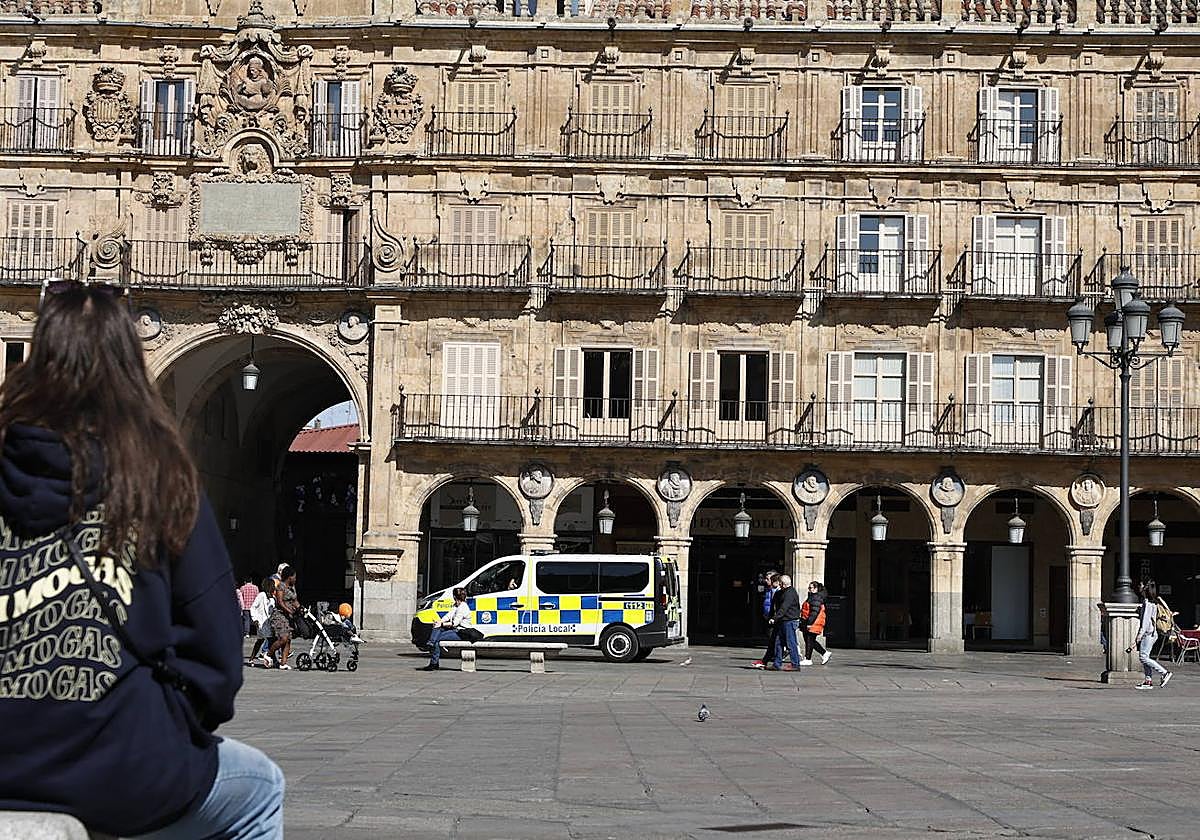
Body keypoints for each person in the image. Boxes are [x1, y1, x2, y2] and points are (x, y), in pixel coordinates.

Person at [0, 282, 283, 838]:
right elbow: (218, 662)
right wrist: (167, 724)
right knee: (261, 788)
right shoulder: (162, 481)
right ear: (132, 366)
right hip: (122, 764)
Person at [421, 587, 471, 671]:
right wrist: (439, 622)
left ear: (454, 597)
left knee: (436, 640)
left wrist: (441, 624)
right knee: (437, 629)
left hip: (461, 632)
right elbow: (448, 616)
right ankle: (431, 644)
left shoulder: (463, 607)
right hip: (455, 630)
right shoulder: (456, 605)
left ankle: (434, 662)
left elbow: (455, 623)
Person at [1134, 582, 1173, 691]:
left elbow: (1146, 622)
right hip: (1152, 633)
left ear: (1145, 589)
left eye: (1141, 585)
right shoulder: (1153, 603)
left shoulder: (1148, 603)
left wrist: (1139, 636)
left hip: (1149, 633)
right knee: (1145, 656)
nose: (1139, 587)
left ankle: (1164, 672)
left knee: (1143, 657)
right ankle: (1148, 681)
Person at [767, 574, 802, 672]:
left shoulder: (790, 593)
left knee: (791, 643)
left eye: (780, 583)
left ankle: (795, 664)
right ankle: (777, 664)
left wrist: (774, 618)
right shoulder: (782, 592)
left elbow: (784, 608)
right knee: (778, 643)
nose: (779, 584)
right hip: (783, 621)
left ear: (783, 583)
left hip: (789, 621)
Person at [267, 566, 299, 670]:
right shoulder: (281, 586)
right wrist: (289, 610)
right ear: (289, 577)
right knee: (283, 638)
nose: (295, 579)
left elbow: (295, 601)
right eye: (294, 577)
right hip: (280, 616)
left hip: (289, 617)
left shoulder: (292, 588)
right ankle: (268, 654)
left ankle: (283, 663)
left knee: (288, 640)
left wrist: (301, 609)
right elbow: (280, 602)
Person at [751, 571, 780, 669]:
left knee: (775, 641)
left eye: (768, 579)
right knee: (772, 641)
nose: (766, 580)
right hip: (768, 617)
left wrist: (774, 617)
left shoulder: (777, 591)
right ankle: (767, 660)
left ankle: (772, 661)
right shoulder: (769, 590)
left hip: (774, 619)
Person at [800, 580, 831, 666]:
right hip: (811, 621)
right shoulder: (813, 597)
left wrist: (809, 623)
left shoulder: (816, 598)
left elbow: (814, 612)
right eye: (809, 588)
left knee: (810, 640)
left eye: (811, 588)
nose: (809, 589)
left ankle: (808, 659)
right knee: (810, 640)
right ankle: (824, 653)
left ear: (816, 589)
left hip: (814, 622)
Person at [249, 576, 276, 663]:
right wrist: (255, 619)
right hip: (261, 622)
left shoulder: (272, 599)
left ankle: (252, 658)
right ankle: (270, 658)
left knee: (261, 641)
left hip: (268, 623)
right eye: (273, 586)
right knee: (268, 640)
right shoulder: (261, 595)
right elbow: (253, 607)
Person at [237, 573, 260, 638]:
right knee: (255, 619)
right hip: (254, 607)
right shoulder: (256, 588)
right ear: (251, 581)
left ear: (245, 581)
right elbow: (257, 597)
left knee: (246, 620)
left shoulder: (242, 588)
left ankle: (247, 633)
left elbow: (241, 597)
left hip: (245, 606)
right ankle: (258, 632)